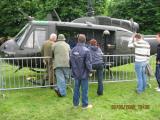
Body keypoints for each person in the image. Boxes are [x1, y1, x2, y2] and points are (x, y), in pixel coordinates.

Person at [70, 34, 93, 109]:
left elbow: (70, 62)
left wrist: (73, 71)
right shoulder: (87, 50)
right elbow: (88, 63)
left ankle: (75, 104)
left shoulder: (73, 50)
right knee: (84, 90)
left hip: (76, 73)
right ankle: (85, 105)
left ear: (78, 40)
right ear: (85, 40)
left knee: (76, 89)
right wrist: (90, 71)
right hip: (84, 74)